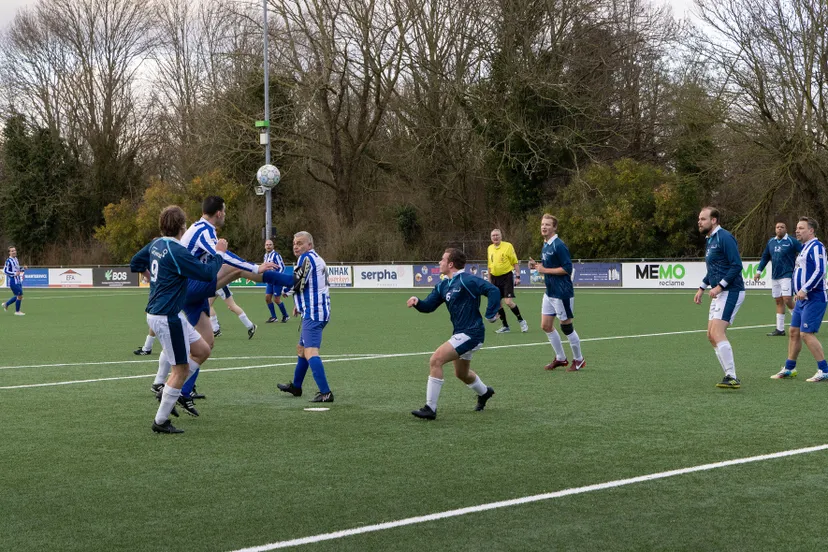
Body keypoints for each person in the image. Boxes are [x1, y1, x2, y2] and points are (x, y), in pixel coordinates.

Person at [141, 205, 225, 434]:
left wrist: (154, 282)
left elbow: (136, 262)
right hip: (167, 316)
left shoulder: (156, 244)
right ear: (182, 226)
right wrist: (219, 253)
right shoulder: (177, 251)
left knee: (202, 350)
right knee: (181, 369)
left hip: (167, 312)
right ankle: (160, 421)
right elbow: (207, 274)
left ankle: (167, 389)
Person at [406, 248, 500, 420]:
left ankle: (430, 408)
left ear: (450, 264)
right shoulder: (443, 285)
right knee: (461, 374)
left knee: (436, 360)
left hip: (472, 333)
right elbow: (429, 306)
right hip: (461, 333)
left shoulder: (467, 280)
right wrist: (417, 302)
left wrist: (491, 314)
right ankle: (485, 392)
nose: (439, 262)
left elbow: (493, 290)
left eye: (442, 259)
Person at [276, 231, 334, 402]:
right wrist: (299, 305)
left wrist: (285, 292)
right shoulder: (318, 258)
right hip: (316, 310)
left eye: (300, 243)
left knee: (310, 352)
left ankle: (326, 393)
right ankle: (296, 386)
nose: (296, 246)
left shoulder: (305, 258)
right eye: (294, 243)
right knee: (302, 350)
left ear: (310, 245)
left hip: (314, 313)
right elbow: (312, 286)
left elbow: (298, 282)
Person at [694, 207, 746, 389]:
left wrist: (719, 286)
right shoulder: (710, 239)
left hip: (732, 290)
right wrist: (702, 287)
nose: (699, 222)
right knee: (710, 335)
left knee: (717, 332)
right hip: (719, 292)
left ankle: (732, 376)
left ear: (714, 220)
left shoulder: (724, 237)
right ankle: (728, 374)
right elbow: (714, 268)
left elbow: (736, 265)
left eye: (703, 219)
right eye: (699, 219)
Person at [771, 217, 828, 381]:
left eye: (801, 228)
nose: (797, 230)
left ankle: (824, 369)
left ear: (811, 230)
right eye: (796, 228)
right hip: (802, 299)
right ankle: (789, 368)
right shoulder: (804, 247)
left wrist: (805, 289)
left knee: (806, 333)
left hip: (814, 297)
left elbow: (820, 270)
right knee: (794, 332)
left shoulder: (817, 246)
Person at [528, 214, 585, 372]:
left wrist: (544, 269)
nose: (544, 227)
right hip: (550, 292)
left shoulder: (559, 245)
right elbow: (548, 266)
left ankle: (579, 359)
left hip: (562, 293)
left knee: (566, 327)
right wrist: (537, 266)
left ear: (554, 228)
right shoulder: (546, 244)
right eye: (542, 224)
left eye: (547, 224)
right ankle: (561, 358)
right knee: (546, 326)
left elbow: (567, 269)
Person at [754, 221, 801, 336]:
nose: (779, 229)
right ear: (775, 229)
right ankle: (780, 329)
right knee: (778, 301)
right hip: (775, 276)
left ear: (786, 229)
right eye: (777, 227)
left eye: (782, 227)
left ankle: (799, 323)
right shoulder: (771, 242)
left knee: (787, 299)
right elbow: (765, 257)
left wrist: (801, 264)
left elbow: (803, 252)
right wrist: (759, 271)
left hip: (787, 274)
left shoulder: (791, 241)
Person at [487, 229, 528, 333]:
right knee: (498, 304)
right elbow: (489, 266)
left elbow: (515, 262)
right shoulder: (490, 248)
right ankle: (505, 326)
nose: (495, 237)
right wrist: (489, 280)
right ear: (491, 238)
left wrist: (518, 276)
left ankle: (521, 321)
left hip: (506, 277)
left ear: (501, 236)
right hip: (494, 278)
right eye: (493, 236)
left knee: (508, 302)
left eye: (497, 235)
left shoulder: (508, 246)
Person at [263, 239, 290, 323]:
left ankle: (286, 315)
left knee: (277, 299)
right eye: (267, 245)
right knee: (267, 298)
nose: (268, 246)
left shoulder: (276, 255)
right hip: (269, 281)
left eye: (270, 244)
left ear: (273, 246)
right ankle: (274, 317)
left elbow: (282, 267)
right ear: (265, 246)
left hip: (276, 281)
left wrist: (278, 277)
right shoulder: (265, 256)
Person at [3, 246, 26, 316]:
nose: (14, 252)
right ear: (9, 253)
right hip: (13, 281)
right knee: (19, 295)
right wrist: (14, 274)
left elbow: (17, 269)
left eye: (14, 250)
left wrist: (23, 268)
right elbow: (5, 270)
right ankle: (17, 311)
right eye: (12, 251)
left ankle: (6, 304)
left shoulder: (16, 259)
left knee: (19, 295)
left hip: (18, 280)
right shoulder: (8, 261)